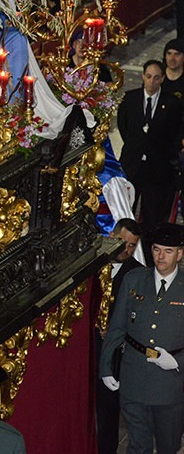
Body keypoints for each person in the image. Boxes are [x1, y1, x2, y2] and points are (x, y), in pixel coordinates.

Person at [99, 223, 184, 454]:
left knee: (168, 445)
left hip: (170, 385)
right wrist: (106, 367)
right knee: (138, 446)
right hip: (134, 378)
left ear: (179, 254)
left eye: (168, 251)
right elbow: (117, 327)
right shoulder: (134, 279)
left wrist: (178, 361)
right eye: (156, 249)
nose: (160, 256)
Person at [117, 60, 183, 232]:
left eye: (156, 78)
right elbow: (123, 125)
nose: (151, 82)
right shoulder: (130, 99)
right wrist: (136, 146)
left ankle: (147, 245)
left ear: (162, 79)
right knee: (126, 212)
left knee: (152, 216)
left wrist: (166, 154)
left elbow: (177, 133)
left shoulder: (172, 103)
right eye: (148, 77)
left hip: (157, 168)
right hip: (132, 164)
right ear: (142, 76)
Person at [95, 218, 144, 454]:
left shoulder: (139, 274)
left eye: (132, 246)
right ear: (112, 236)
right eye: (124, 242)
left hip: (114, 355)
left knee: (108, 411)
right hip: (86, 347)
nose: (127, 249)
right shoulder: (93, 262)